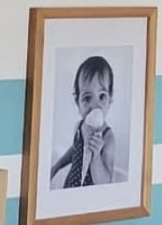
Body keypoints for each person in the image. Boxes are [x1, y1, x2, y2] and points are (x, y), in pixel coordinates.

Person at [49, 56, 116, 189]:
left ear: (110, 99)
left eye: (102, 96)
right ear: (77, 102)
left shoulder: (108, 138)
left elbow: (106, 181)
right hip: (71, 185)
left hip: (90, 196)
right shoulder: (78, 127)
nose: (95, 106)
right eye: (87, 98)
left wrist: (96, 157)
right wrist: (57, 166)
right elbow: (75, 150)